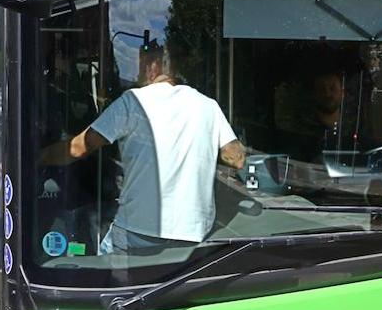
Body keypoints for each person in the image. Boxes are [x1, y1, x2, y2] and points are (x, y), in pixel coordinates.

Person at [42, 42, 245, 254]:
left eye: (140, 66)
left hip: (136, 231)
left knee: (98, 261)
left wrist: (36, 158)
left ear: (153, 67)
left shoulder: (133, 101)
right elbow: (236, 158)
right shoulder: (208, 106)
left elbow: (78, 148)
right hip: (194, 235)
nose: (138, 73)